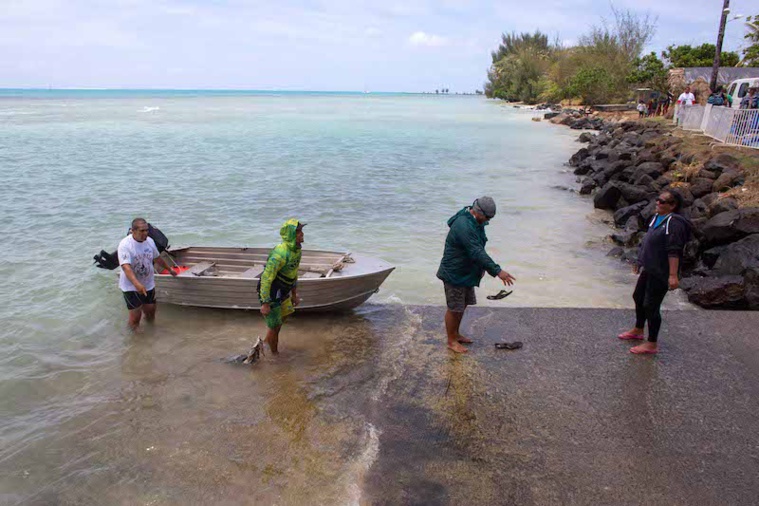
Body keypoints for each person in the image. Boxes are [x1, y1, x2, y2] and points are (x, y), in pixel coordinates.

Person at [437, 197, 516, 354]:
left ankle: (456, 334)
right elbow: (476, 251)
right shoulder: (464, 225)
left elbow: (477, 248)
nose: (488, 221)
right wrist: (497, 271)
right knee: (454, 308)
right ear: (478, 212)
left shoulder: (476, 221)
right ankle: (451, 341)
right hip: (455, 273)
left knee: (462, 305)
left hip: (466, 272)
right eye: (487, 217)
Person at [617, 191, 692, 355]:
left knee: (651, 305)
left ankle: (651, 343)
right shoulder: (656, 218)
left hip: (661, 271)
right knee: (638, 296)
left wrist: (672, 275)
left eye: (663, 201)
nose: (658, 203)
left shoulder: (674, 223)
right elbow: (647, 241)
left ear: (673, 206)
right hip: (649, 267)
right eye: (658, 200)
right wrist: (639, 261)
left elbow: (674, 251)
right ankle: (638, 330)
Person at [118, 218, 177, 329]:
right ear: (133, 231)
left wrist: (169, 269)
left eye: (146, 230)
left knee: (150, 312)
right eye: (142, 231)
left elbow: (157, 258)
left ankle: (150, 337)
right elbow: (126, 267)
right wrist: (137, 284)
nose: (145, 233)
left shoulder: (149, 241)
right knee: (136, 317)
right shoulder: (125, 245)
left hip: (148, 283)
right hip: (131, 286)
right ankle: (134, 340)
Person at [258, 219, 305, 354]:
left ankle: (267, 342)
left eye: (301, 231)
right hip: (272, 292)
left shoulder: (297, 250)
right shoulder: (279, 254)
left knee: (285, 316)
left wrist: (294, 294)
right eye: (298, 232)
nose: (302, 234)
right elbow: (266, 279)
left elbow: (294, 272)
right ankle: (274, 356)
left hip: (284, 289)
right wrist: (265, 302)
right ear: (290, 235)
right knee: (275, 326)